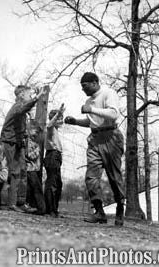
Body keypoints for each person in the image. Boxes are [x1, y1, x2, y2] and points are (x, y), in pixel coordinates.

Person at [64, 72, 125, 226]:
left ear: (95, 82)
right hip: (95, 139)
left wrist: (91, 110)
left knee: (114, 177)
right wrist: (76, 122)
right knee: (91, 177)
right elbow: (92, 122)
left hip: (111, 137)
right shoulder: (89, 101)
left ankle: (119, 208)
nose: (83, 90)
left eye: (85, 86)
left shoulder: (108, 93)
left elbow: (113, 114)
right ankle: (99, 212)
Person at [0, 85, 44, 213]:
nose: (30, 96)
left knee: (23, 171)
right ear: (21, 94)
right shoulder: (18, 106)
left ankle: (21, 202)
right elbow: (23, 109)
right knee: (15, 172)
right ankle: (12, 203)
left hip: (19, 143)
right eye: (28, 94)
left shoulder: (23, 111)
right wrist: (37, 98)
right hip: (11, 142)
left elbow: (22, 126)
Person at [43, 104, 65, 217]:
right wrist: (57, 114)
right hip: (52, 156)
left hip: (56, 157)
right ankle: (49, 210)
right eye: (60, 118)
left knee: (58, 184)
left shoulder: (55, 130)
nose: (62, 121)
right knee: (52, 183)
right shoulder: (51, 129)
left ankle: (54, 209)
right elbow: (49, 125)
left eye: (61, 118)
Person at [25, 120, 46, 215]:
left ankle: (34, 207)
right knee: (37, 188)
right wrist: (38, 150)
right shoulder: (28, 143)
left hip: (34, 169)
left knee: (33, 188)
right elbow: (30, 155)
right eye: (36, 131)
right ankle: (41, 208)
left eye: (38, 132)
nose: (37, 134)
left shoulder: (33, 142)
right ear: (29, 130)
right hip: (30, 169)